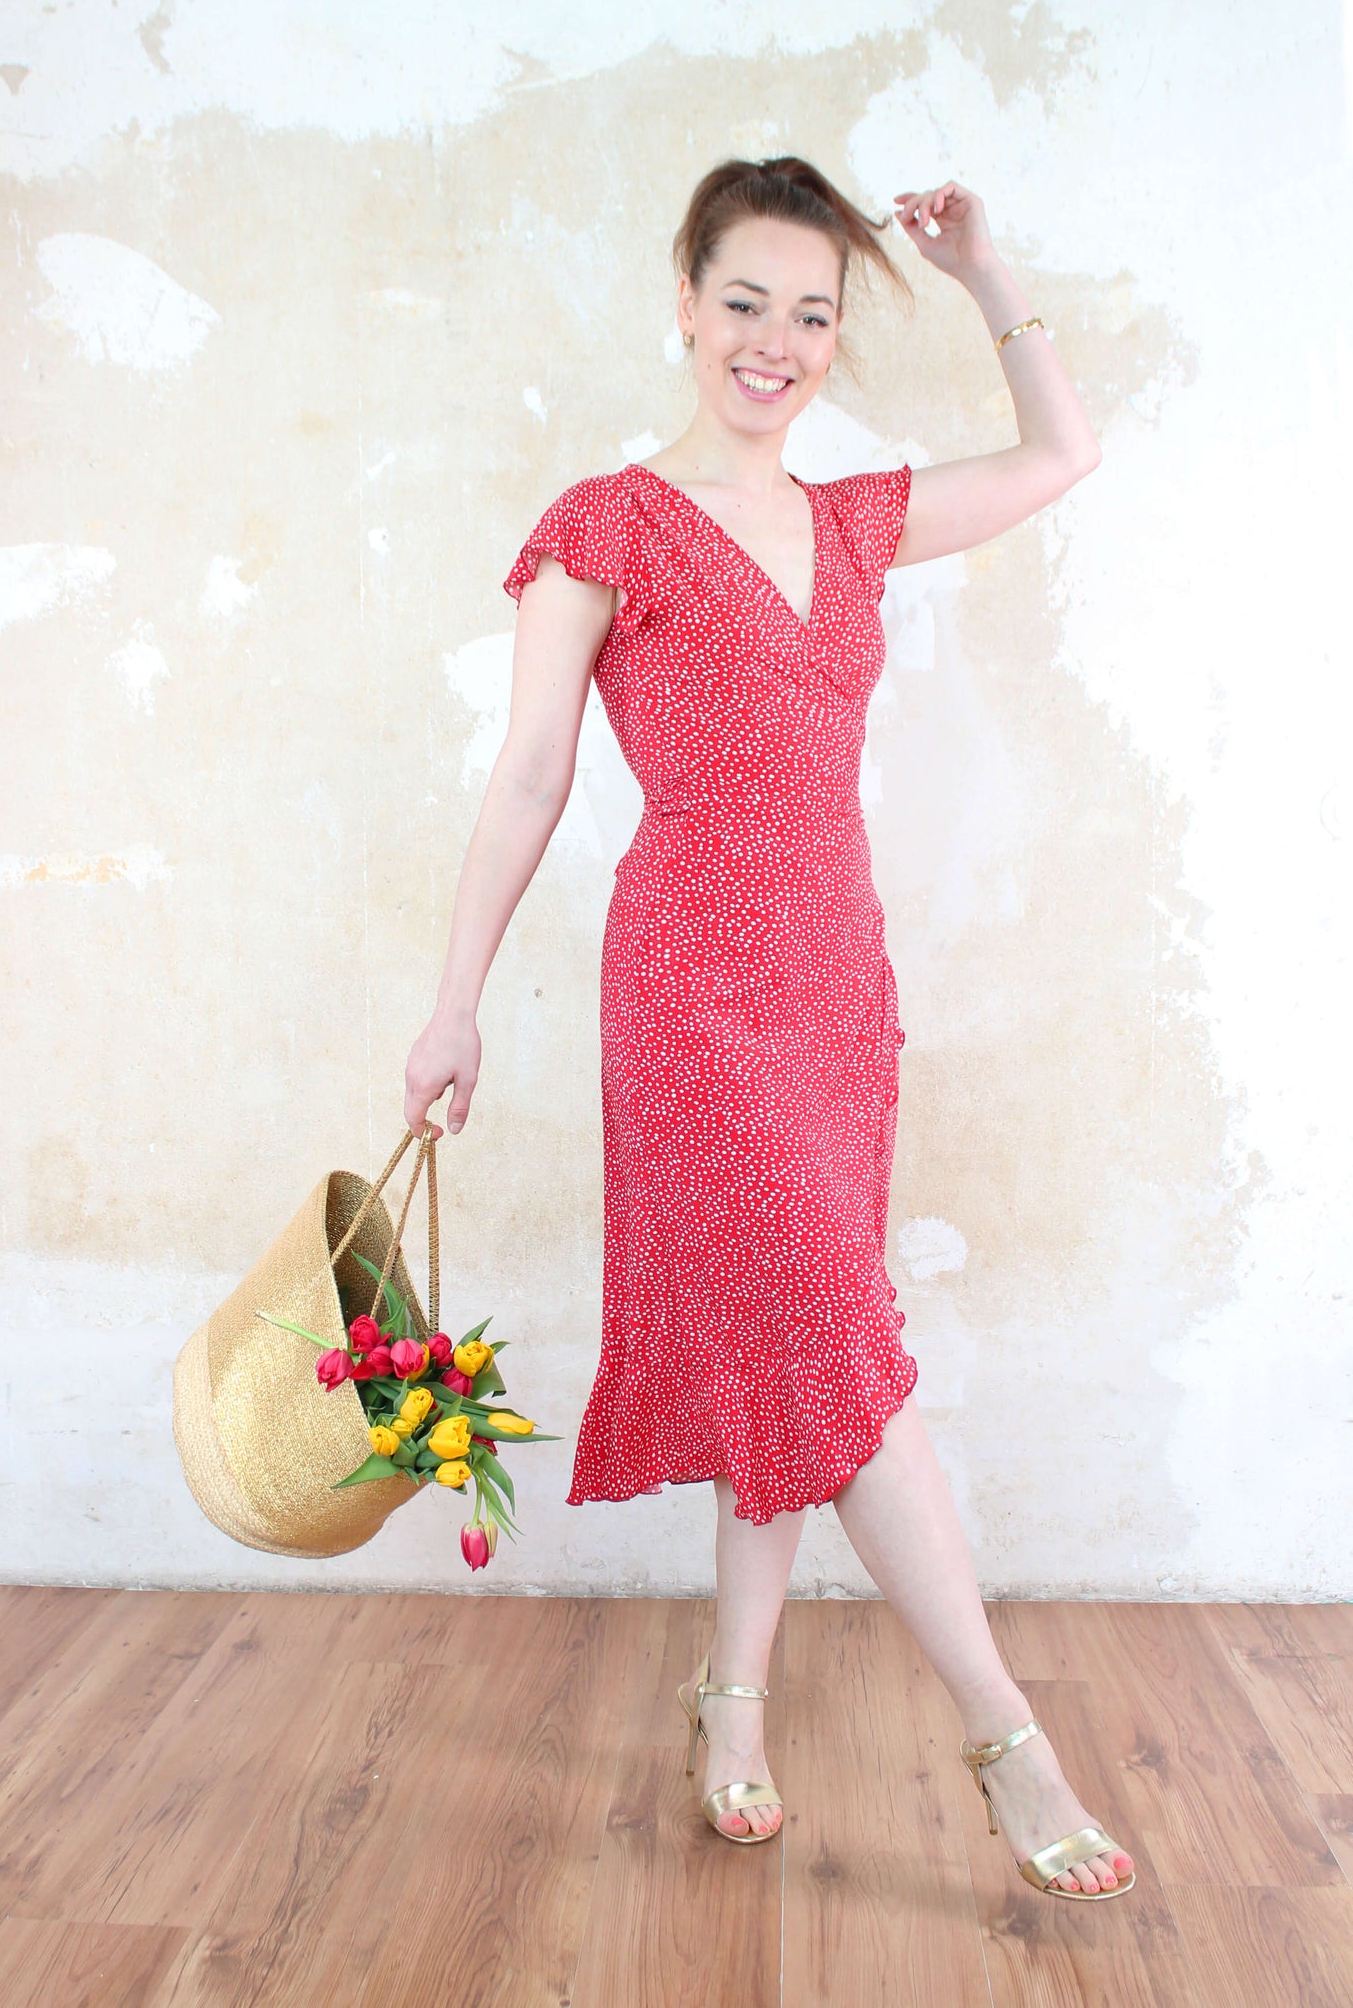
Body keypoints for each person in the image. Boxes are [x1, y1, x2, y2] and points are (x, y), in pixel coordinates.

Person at [405, 156, 1136, 1901]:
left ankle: (730, 1701)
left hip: (834, 985)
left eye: (811, 315)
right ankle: (1006, 1735)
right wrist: (449, 1005)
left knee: (782, 1357)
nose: (776, 343)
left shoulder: (856, 518)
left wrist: (986, 274)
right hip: (690, 992)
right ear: (683, 301)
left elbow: (1062, 456)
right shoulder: (607, 519)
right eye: (745, 301)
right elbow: (527, 775)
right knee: (822, 1342)